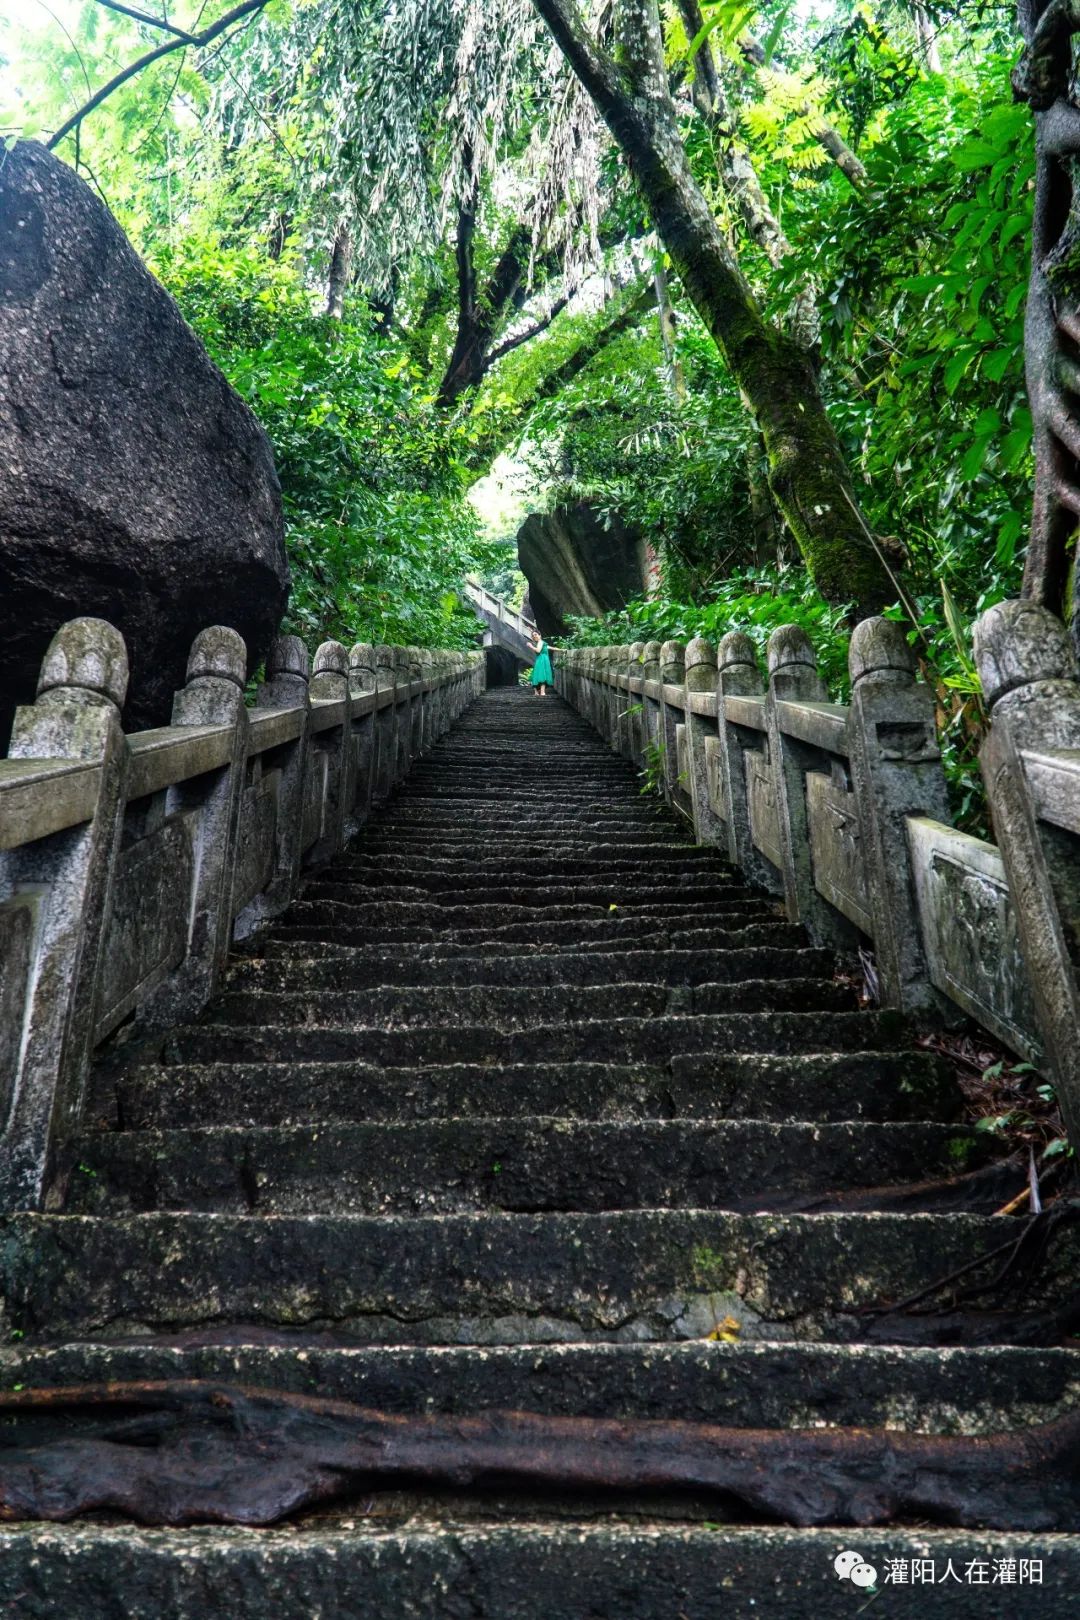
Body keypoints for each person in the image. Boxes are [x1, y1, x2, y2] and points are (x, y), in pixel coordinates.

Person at [528, 630, 555, 696]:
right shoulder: (542, 643)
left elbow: (538, 650)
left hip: (541, 661)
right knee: (542, 675)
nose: (534, 636)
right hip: (542, 661)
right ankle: (541, 692)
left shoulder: (540, 642)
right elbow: (551, 648)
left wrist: (531, 646)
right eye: (533, 635)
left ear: (540, 635)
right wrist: (562, 650)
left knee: (538, 675)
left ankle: (538, 692)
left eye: (536, 634)